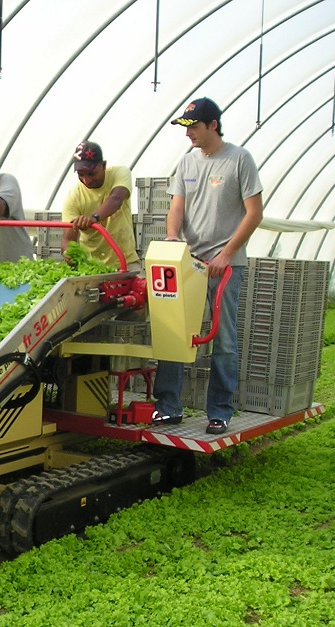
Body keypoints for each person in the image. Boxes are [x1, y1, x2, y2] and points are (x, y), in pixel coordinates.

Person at [151, 97, 264, 435]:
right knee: (175, 331)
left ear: (213, 125)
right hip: (190, 263)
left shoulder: (239, 159)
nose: (188, 134)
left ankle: (219, 411)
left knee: (223, 338)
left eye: (194, 127)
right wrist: (173, 238)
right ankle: (168, 407)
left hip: (225, 265)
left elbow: (254, 213)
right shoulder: (187, 162)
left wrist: (226, 255)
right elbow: (177, 207)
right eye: (185, 128)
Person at [61, 139, 142, 272]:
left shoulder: (119, 173)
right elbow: (68, 239)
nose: (87, 180)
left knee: (141, 284)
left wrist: (94, 218)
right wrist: (69, 254)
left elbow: (116, 199)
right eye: (81, 174)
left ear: (103, 166)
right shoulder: (73, 197)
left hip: (126, 262)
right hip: (92, 267)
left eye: (91, 173)